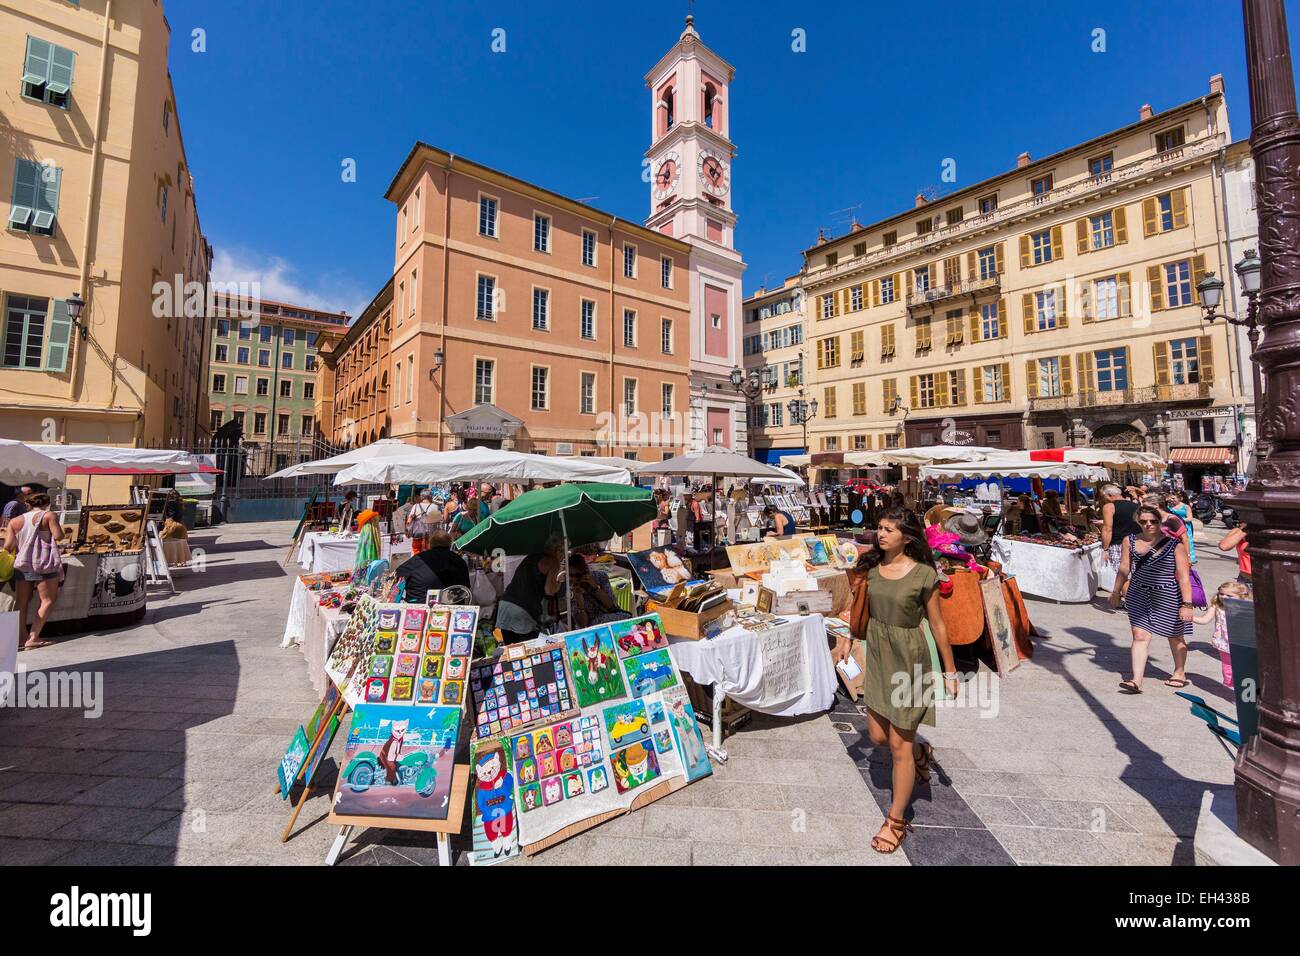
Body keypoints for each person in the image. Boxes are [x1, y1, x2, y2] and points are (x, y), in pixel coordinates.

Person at [832, 507, 957, 854]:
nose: (881, 534)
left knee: (898, 745)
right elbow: (857, 609)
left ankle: (896, 820)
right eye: (880, 528)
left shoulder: (923, 575)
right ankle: (920, 750)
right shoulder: (871, 569)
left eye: (889, 529)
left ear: (907, 536)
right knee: (877, 735)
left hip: (909, 661)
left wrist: (949, 671)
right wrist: (847, 638)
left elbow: (939, 626)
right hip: (878, 656)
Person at [1110, 508, 1194, 693]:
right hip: (1138, 593)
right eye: (1144, 521)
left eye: (1153, 521)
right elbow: (1124, 568)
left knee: (1175, 636)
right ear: (1138, 521)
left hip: (1168, 594)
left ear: (1160, 522)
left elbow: (1183, 576)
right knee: (1139, 636)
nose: (1148, 524)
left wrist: (1187, 604)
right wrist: (1116, 591)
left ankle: (1179, 672)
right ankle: (1136, 680)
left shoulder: (1174, 544)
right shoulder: (1129, 540)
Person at [3, 492, 65, 650]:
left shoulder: (15, 521)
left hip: (22, 564)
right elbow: (58, 536)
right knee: (48, 600)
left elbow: (8, 546)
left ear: (28, 503)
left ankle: (20, 637)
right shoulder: (48, 515)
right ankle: (33, 637)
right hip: (44, 563)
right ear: (47, 503)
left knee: (21, 601)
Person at [496, 536, 565, 643]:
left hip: (505, 605)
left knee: (511, 650)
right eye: (563, 551)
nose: (564, 555)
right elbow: (549, 591)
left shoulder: (532, 556)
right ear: (558, 550)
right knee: (530, 650)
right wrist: (560, 582)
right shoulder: (553, 561)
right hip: (523, 610)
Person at [1193, 581, 1250, 689]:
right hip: (1224, 643)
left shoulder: (1245, 608)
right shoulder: (1217, 606)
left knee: (1243, 669)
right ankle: (1229, 689)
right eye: (1221, 593)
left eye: (1229, 595)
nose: (1223, 597)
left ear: (1241, 596)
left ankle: (1243, 689)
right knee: (1227, 669)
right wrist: (1190, 618)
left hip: (1242, 645)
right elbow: (1204, 620)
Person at [394, 530, 470, 604]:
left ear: (430, 544)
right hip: (452, 608)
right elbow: (466, 588)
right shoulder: (459, 561)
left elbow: (396, 576)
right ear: (450, 544)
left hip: (419, 608)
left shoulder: (419, 559)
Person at [567, 554, 631, 628]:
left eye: (578, 575)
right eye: (571, 575)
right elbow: (582, 624)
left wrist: (595, 587)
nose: (574, 579)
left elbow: (611, 606)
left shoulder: (600, 577)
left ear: (586, 571)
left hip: (612, 619)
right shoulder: (570, 591)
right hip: (593, 627)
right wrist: (580, 602)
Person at [1100, 483, 1141, 567]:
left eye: (1103, 497)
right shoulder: (1137, 506)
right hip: (1137, 543)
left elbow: (1107, 529)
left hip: (1118, 545)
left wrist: (1105, 549)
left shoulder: (1109, 507)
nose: (1103, 500)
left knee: (1120, 575)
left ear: (1109, 495)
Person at [1166, 491, 1196, 563]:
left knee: (1187, 541)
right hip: (1173, 527)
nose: (1172, 500)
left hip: (1185, 526)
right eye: (1171, 498)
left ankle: (1189, 558)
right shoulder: (1169, 506)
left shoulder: (1186, 506)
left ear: (1180, 499)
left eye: (1173, 498)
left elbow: (1190, 518)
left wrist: (1180, 520)